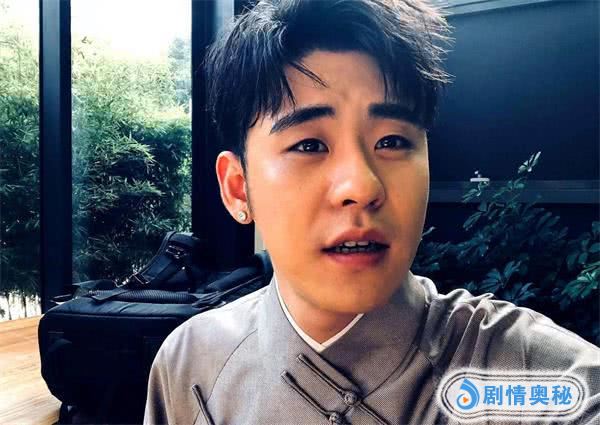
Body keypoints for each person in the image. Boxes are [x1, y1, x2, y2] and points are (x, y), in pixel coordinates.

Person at [144, 0, 600, 424]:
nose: (362, 187)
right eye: (309, 145)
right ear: (238, 189)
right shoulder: (192, 364)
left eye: (392, 141)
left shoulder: (538, 376)